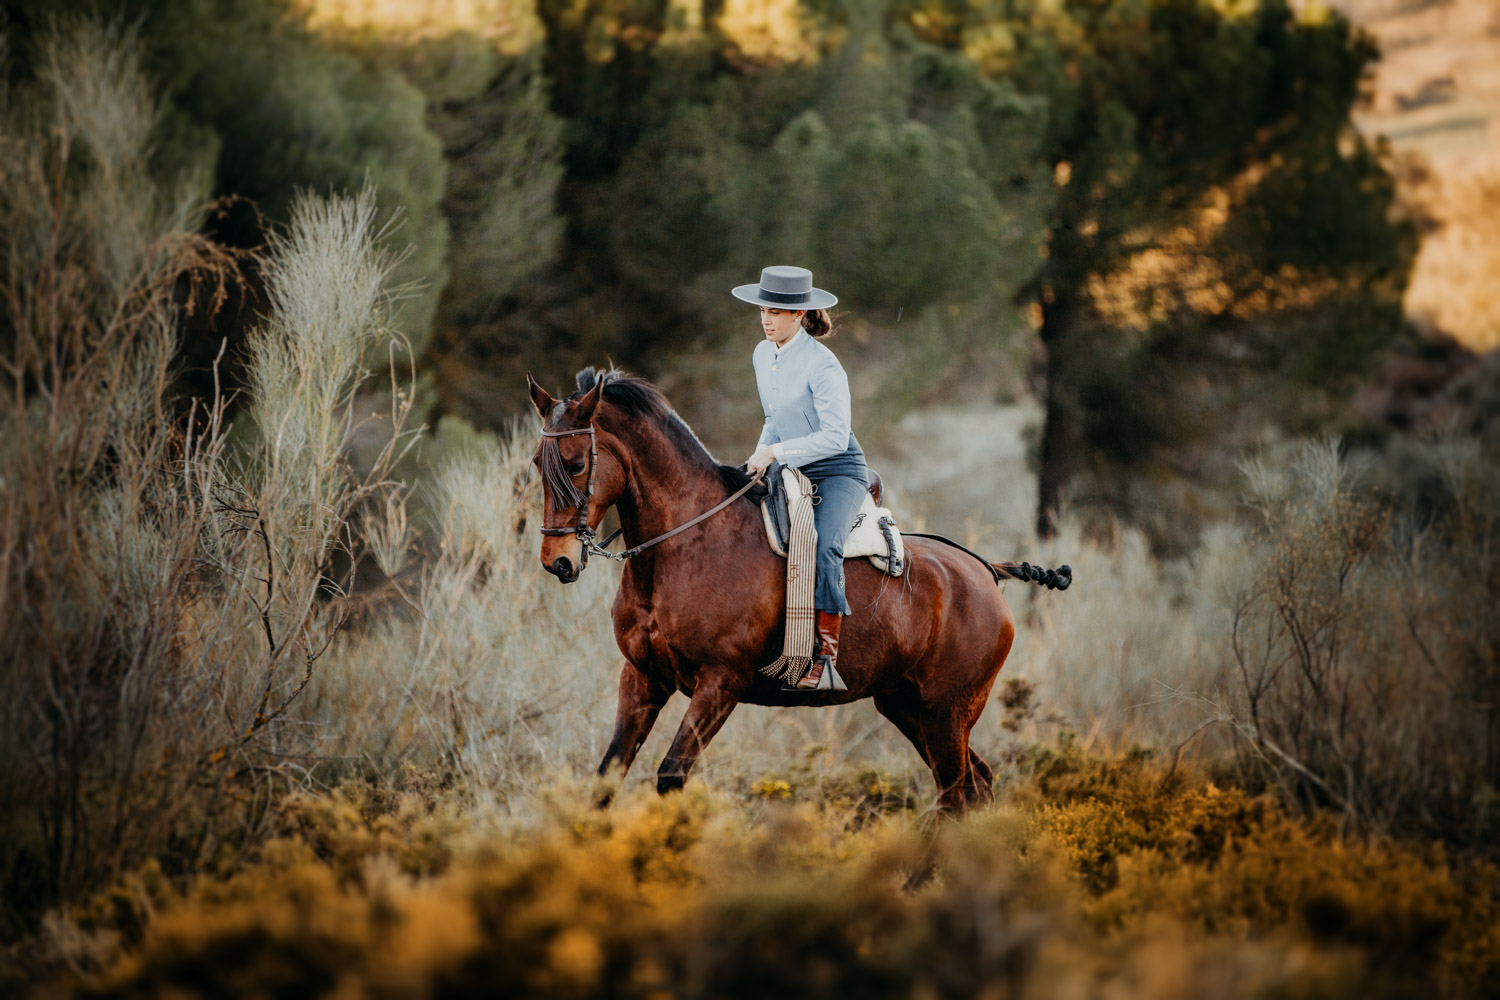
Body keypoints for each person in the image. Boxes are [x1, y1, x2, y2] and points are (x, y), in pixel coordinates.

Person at [736, 265, 869, 692]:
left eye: (776, 310)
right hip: (788, 463)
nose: (766, 318)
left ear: (799, 315)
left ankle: (825, 660)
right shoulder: (762, 353)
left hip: (838, 469)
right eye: (763, 308)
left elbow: (833, 436)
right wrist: (759, 455)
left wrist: (776, 452)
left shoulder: (824, 366)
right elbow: (775, 418)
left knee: (826, 545)